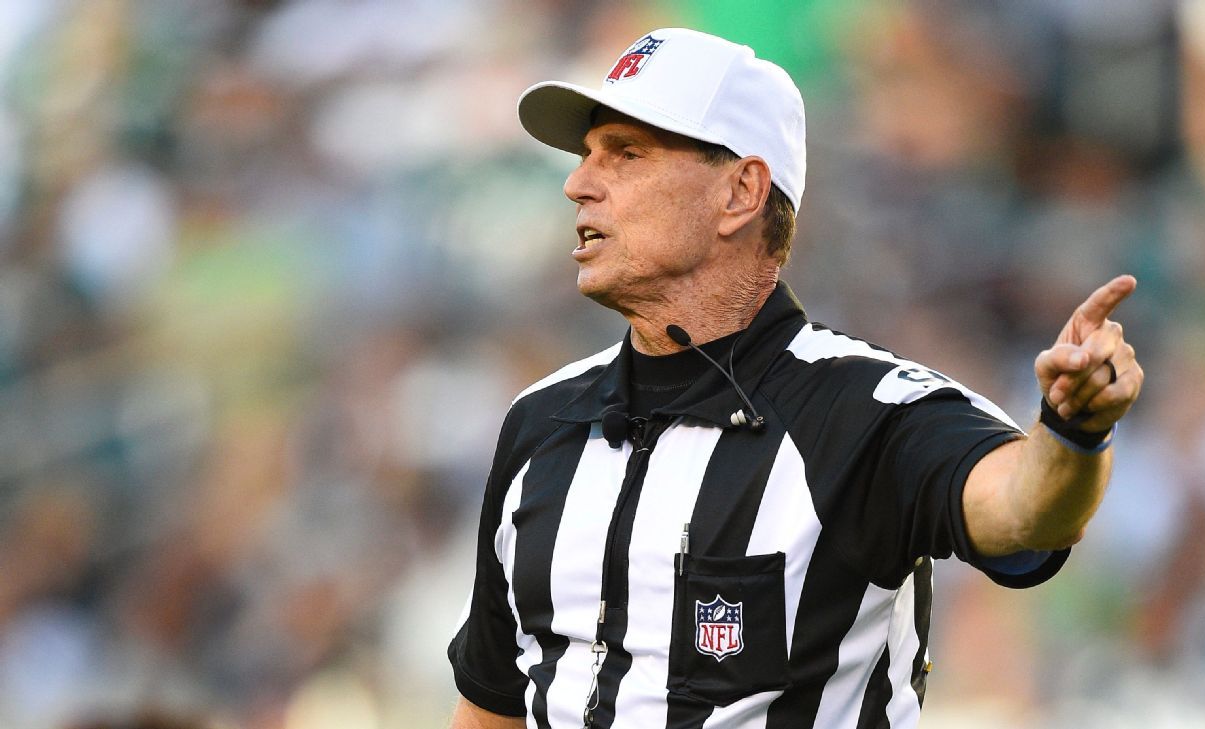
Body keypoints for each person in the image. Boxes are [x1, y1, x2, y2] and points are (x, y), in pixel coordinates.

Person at [447, 28, 1143, 729]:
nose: (578, 183)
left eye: (626, 154)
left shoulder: (867, 411)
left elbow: (1025, 508)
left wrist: (1073, 427)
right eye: (587, 155)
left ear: (741, 192)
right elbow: (491, 709)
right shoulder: (540, 424)